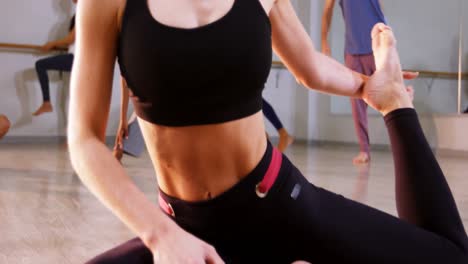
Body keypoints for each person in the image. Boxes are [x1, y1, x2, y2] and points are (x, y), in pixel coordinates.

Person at [68, 0, 467, 262]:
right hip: (182, 227)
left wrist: (368, 87)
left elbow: (309, 65)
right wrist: (159, 235)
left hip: (278, 202)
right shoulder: (106, 3)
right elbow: (84, 139)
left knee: (449, 257)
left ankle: (398, 104)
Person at [321, 0, 385, 165]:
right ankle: (364, 149)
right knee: (357, 104)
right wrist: (324, 41)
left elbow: (379, 8)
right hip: (353, 50)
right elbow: (327, 9)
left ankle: (403, 145)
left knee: (389, 98)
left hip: (377, 45)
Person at [32, 0, 77, 116]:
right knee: (73, 96)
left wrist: (52, 44)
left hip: (78, 58)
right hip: (77, 57)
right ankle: (47, 103)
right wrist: (53, 45)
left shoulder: (84, 14)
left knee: (40, 65)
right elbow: (72, 41)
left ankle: (46, 103)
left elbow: (72, 38)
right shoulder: (80, 14)